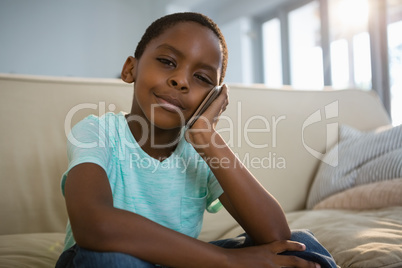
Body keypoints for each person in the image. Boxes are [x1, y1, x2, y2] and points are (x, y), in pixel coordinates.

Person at [56, 12, 336, 268]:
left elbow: (275, 235)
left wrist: (206, 137)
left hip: (180, 261)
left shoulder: (201, 152)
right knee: (111, 258)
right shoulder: (96, 132)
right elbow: (94, 225)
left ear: (212, 99)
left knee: (300, 246)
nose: (181, 81)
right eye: (167, 62)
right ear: (131, 69)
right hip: (100, 256)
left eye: (201, 77)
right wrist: (229, 259)